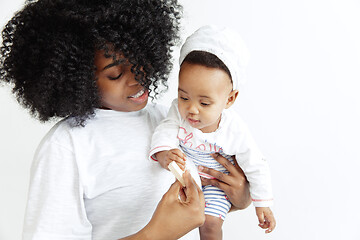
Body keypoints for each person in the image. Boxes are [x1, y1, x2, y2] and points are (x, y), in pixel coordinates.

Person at [0, 1, 251, 240]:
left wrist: (239, 197)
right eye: (116, 74)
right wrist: (156, 233)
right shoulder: (67, 147)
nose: (137, 78)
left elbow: (198, 204)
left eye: (140, 61)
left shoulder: (172, 121)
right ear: (79, 78)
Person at [150, 25, 276, 239]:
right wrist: (163, 153)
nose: (192, 109)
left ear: (230, 99)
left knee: (210, 224)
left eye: (205, 103)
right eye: (184, 97)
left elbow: (255, 164)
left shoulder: (234, 129)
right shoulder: (176, 112)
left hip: (216, 184)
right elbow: (166, 130)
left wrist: (262, 203)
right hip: (187, 174)